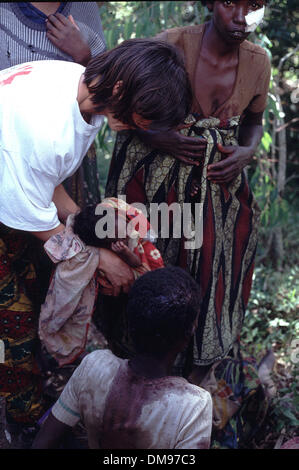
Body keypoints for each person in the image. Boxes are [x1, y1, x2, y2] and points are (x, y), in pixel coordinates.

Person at [0, 38, 192, 444]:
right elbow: (33, 214)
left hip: (12, 205)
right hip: (10, 214)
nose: (144, 129)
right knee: (13, 323)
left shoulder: (75, 87)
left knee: (29, 300)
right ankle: (26, 421)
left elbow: (41, 182)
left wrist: (95, 226)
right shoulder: (50, 128)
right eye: (144, 119)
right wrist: (99, 260)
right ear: (123, 90)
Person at [105, 0, 271, 448]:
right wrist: (156, 135)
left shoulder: (259, 62)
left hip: (216, 188)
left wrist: (247, 151)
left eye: (253, 7)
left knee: (213, 274)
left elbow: (253, 122)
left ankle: (192, 390)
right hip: (155, 181)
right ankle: (130, 375)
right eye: (231, 4)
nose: (241, 18)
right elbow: (114, 104)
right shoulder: (172, 45)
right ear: (212, 3)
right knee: (149, 271)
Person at [32, 266, 212, 450]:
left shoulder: (94, 366)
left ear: (130, 322)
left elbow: (43, 442)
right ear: (187, 336)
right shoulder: (194, 405)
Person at [0, 1, 106, 207]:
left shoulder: (85, 8)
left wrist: (84, 56)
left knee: (71, 224)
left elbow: (106, 87)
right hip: (8, 142)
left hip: (66, 145)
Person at [38, 197, 164, 367]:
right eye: (121, 237)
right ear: (108, 245)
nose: (129, 233)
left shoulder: (117, 211)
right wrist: (125, 253)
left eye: (124, 225)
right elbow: (136, 265)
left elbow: (141, 263)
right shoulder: (114, 246)